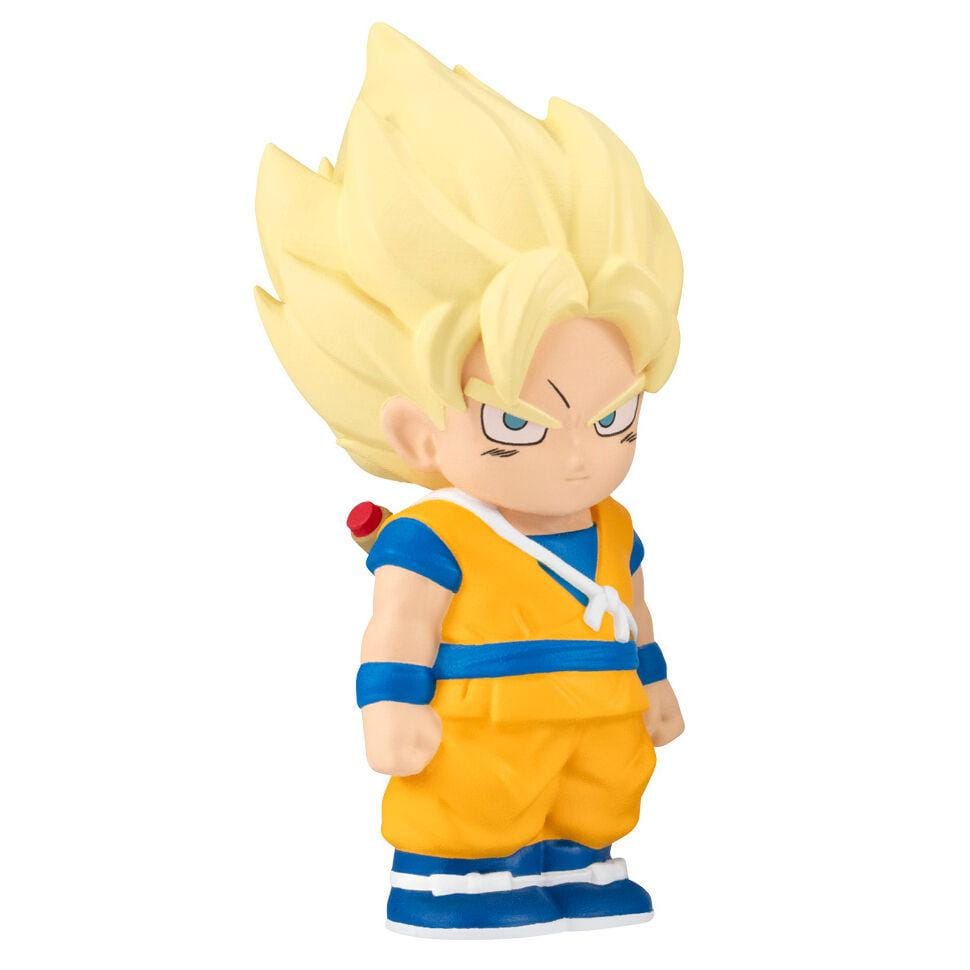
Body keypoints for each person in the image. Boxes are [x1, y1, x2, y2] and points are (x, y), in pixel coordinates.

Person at [255, 23, 685, 938]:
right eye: (519, 422)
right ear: (416, 431)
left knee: (600, 793)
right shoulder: (434, 536)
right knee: (481, 800)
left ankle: (579, 861)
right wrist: (392, 709)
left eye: (615, 418)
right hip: (484, 725)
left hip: (600, 718)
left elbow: (635, 614)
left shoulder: (613, 525)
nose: (579, 454)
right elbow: (399, 630)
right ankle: (457, 881)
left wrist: (653, 686)